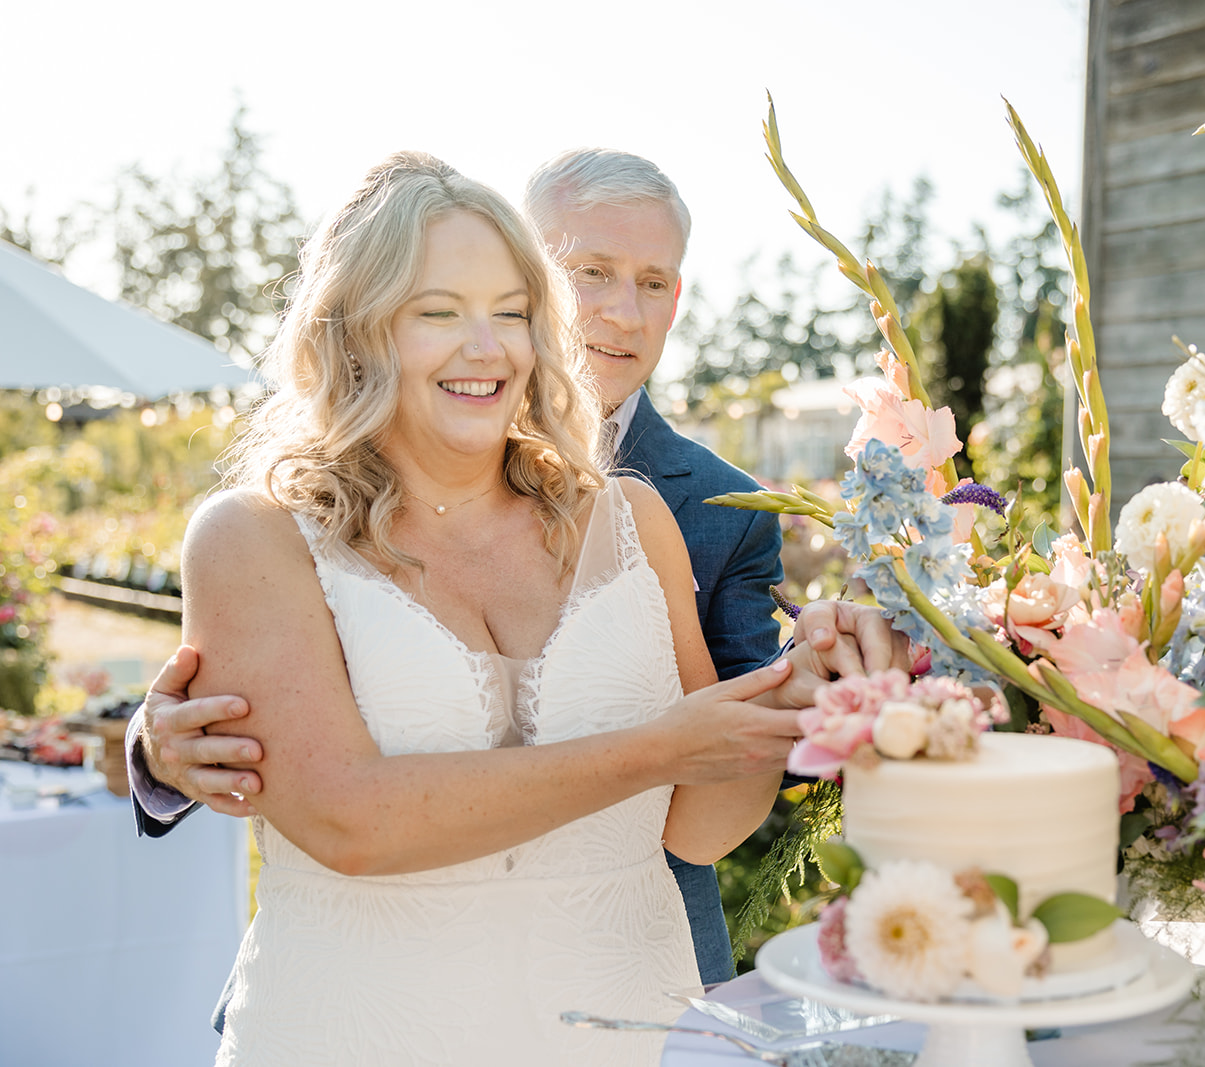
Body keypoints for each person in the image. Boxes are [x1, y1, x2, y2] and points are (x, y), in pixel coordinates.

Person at [129, 148, 897, 988]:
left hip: (629, 986)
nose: (486, 344)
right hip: (369, 1000)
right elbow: (330, 792)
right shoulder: (263, 530)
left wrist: (801, 683)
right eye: (590, 273)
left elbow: (705, 800)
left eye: (509, 310)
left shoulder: (666, 512)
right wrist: (160, 749)